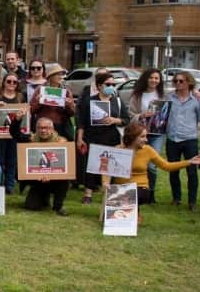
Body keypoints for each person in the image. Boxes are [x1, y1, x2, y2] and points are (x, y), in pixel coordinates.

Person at [113, 123, 200, 206]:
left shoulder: (148, 150)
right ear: (133, 137)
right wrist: (105, 183)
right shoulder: (117, 150)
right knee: (119, 202)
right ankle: (130, 212)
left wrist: (189, 162)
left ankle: (130, 210)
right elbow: (106, 169)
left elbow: (167, 166)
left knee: (132, 195)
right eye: (142, 137)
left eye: (146, 136)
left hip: (140, 187)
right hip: (120, 187)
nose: (146, 139)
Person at [76, 70, 130, 204]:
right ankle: (88, 194)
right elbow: (81, 121)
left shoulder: (117, 101)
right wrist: (80, 138)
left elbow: (126, 119)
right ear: (99, 86)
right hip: (92, 137)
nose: (111, 86)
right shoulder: (89, 101)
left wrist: (115, 120)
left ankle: (109, 194)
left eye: (113, 84)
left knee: (111, 166)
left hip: (112, 138)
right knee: (91, 166)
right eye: (108, 84)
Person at [166, 70, 200, 211]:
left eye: (181, 81)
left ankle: (192, 202)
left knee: (192, 172)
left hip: (189, 139)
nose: (178, 83)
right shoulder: (169, 97)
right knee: (173, 170)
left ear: (189, 83)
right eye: (176, 81)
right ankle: (176, 198)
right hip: (172, 139)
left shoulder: (197, 99)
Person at [9, 116, 71, 215]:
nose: (43, 130)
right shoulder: (31, 139)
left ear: (52, 129)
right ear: (36, 129)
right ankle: (44, 197)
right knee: (31, 206)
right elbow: (15, 134)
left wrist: (51, 175)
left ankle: (58, 206)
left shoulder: (62, 142)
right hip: (37, 180)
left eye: (46, 128)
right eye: (40, 128)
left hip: (56, 180)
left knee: (64, 180)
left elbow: (67, 166)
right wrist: (17, 120)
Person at [128, 68, 167, 191]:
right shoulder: (137, 95)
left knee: (151, 164)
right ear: (146, 79)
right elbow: (130, 114)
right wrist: (142, 115)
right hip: (140, 133)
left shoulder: (164, 95)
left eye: (156, 78)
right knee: (136, 162)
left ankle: (151, 192)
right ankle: (137, 188)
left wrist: (195, 92)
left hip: (157, 134)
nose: (153, 80)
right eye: (151, 77)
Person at [0, 72, 26, 193]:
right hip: (0, 134)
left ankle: (9, 185)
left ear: (17, 84)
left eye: (14, 82)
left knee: (12, 159)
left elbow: (26, 113)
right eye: (9, 81)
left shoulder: (21, 97)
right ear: (4, 82)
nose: (11, 84)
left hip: (15, 134)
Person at [29, 63, 75, 142]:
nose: (61, 77)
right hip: (43, 126)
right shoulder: (40, 89)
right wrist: (38, 102)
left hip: (60, 126)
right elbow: (31, 110)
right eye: (58, 75)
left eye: (61, 74)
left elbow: (72, 113)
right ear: (51, 77)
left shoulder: (66, 91)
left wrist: (69, 105)